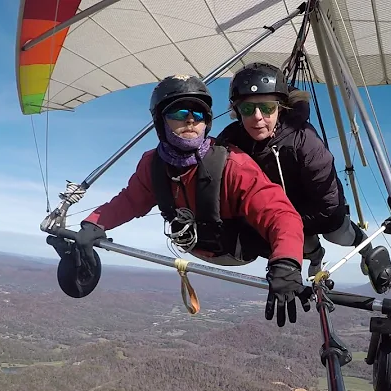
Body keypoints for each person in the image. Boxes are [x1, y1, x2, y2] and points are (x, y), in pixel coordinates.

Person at [72, 74, 311, 327]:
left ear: (206, 122)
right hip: (191, 248)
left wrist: (286, 262)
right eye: (179, 112)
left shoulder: (233, 166)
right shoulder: (153, 165)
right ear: (160, 121)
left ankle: (313, 254)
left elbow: (280, 214)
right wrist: (94, 223)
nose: (190, 119)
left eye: (198, 114)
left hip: (233, 254)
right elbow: (130, 200)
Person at [216, 62, 391, 295]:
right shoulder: (231, 142)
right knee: (304, 245)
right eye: (248, 109)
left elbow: (328, 206)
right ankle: (315, 257)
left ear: (280, 108)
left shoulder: (305, 142)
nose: (258, 117)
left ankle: (365, 248)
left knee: (338, 234)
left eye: (267, 107)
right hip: (282, 209)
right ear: (237, 111)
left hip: (320, 209)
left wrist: (288, 224)